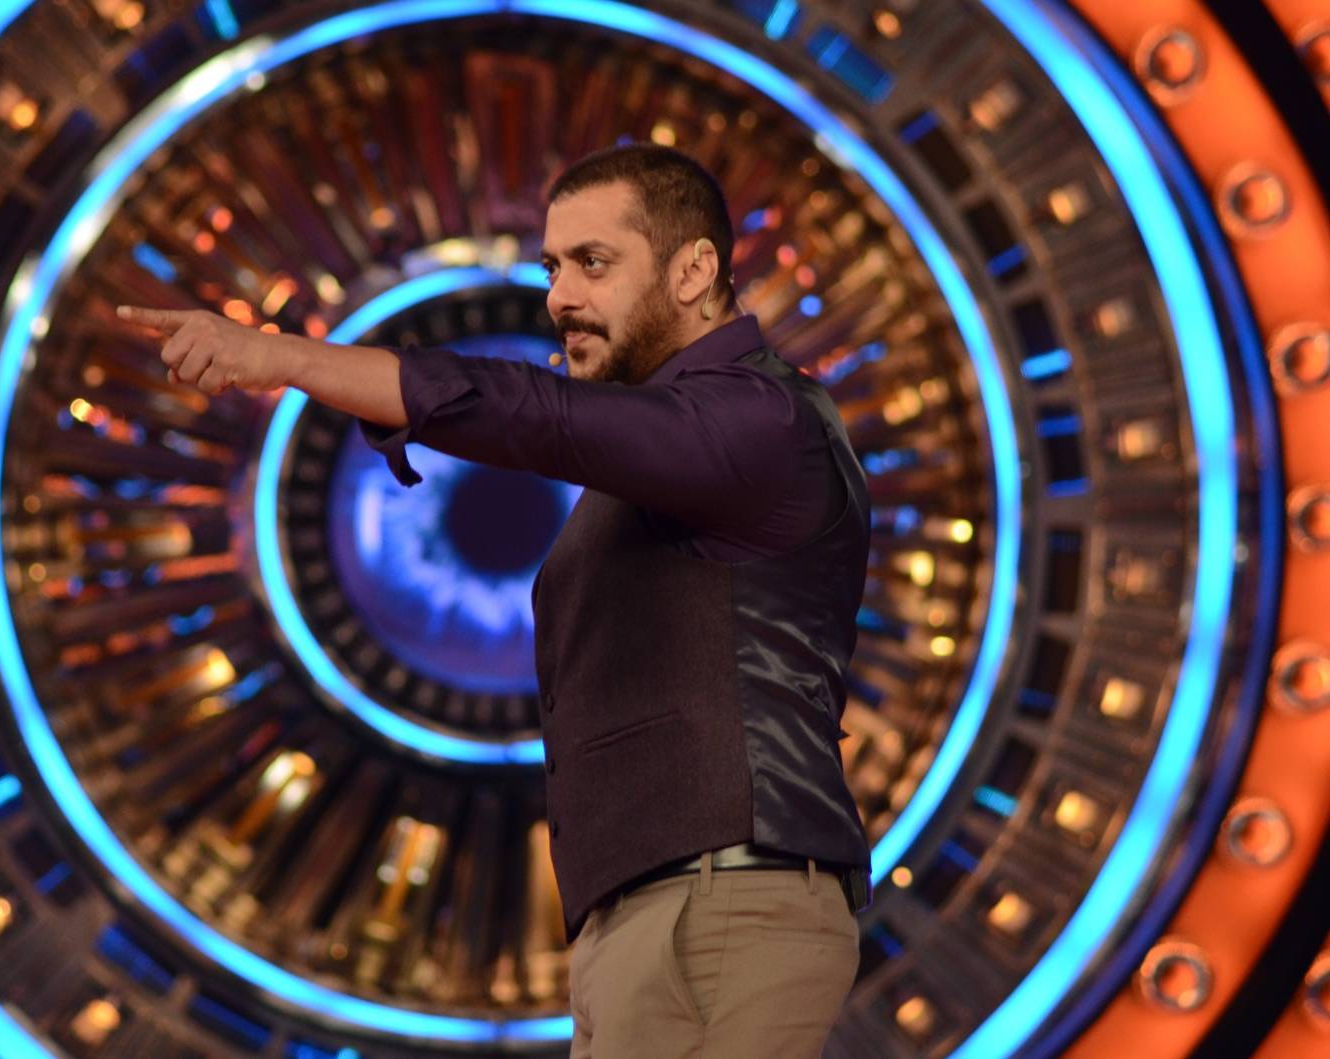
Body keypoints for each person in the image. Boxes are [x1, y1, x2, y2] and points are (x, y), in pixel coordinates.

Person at [118, 143, 873, 1058]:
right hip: (659, 913)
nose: (561, 297)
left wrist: (279, 357)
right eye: (553, 267)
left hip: (717, 905)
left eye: (594, 263)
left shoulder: (762, 420)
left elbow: (537, 413)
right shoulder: (669, 462)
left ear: (695, 271)